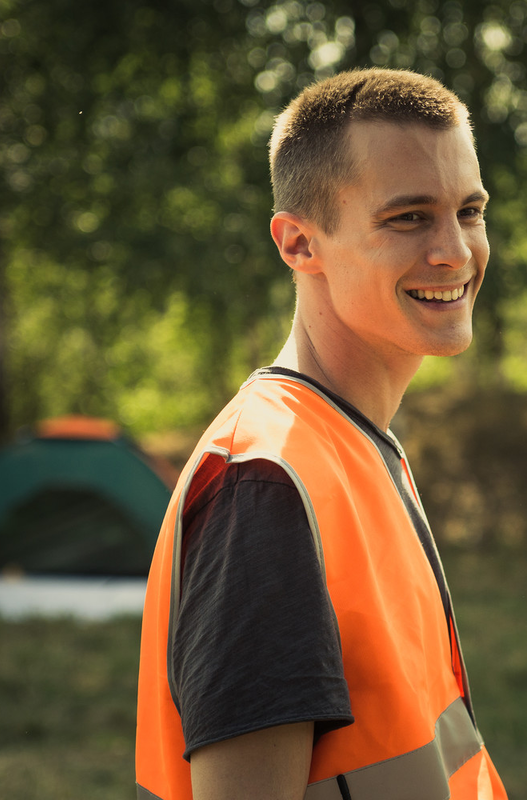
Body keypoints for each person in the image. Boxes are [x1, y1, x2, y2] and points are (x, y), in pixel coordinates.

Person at [135, 69, 507, 800]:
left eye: (469, 210)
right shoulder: (267, 483)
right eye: (408, 218)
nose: (456, 252)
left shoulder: (352, 443)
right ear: (300, 243)